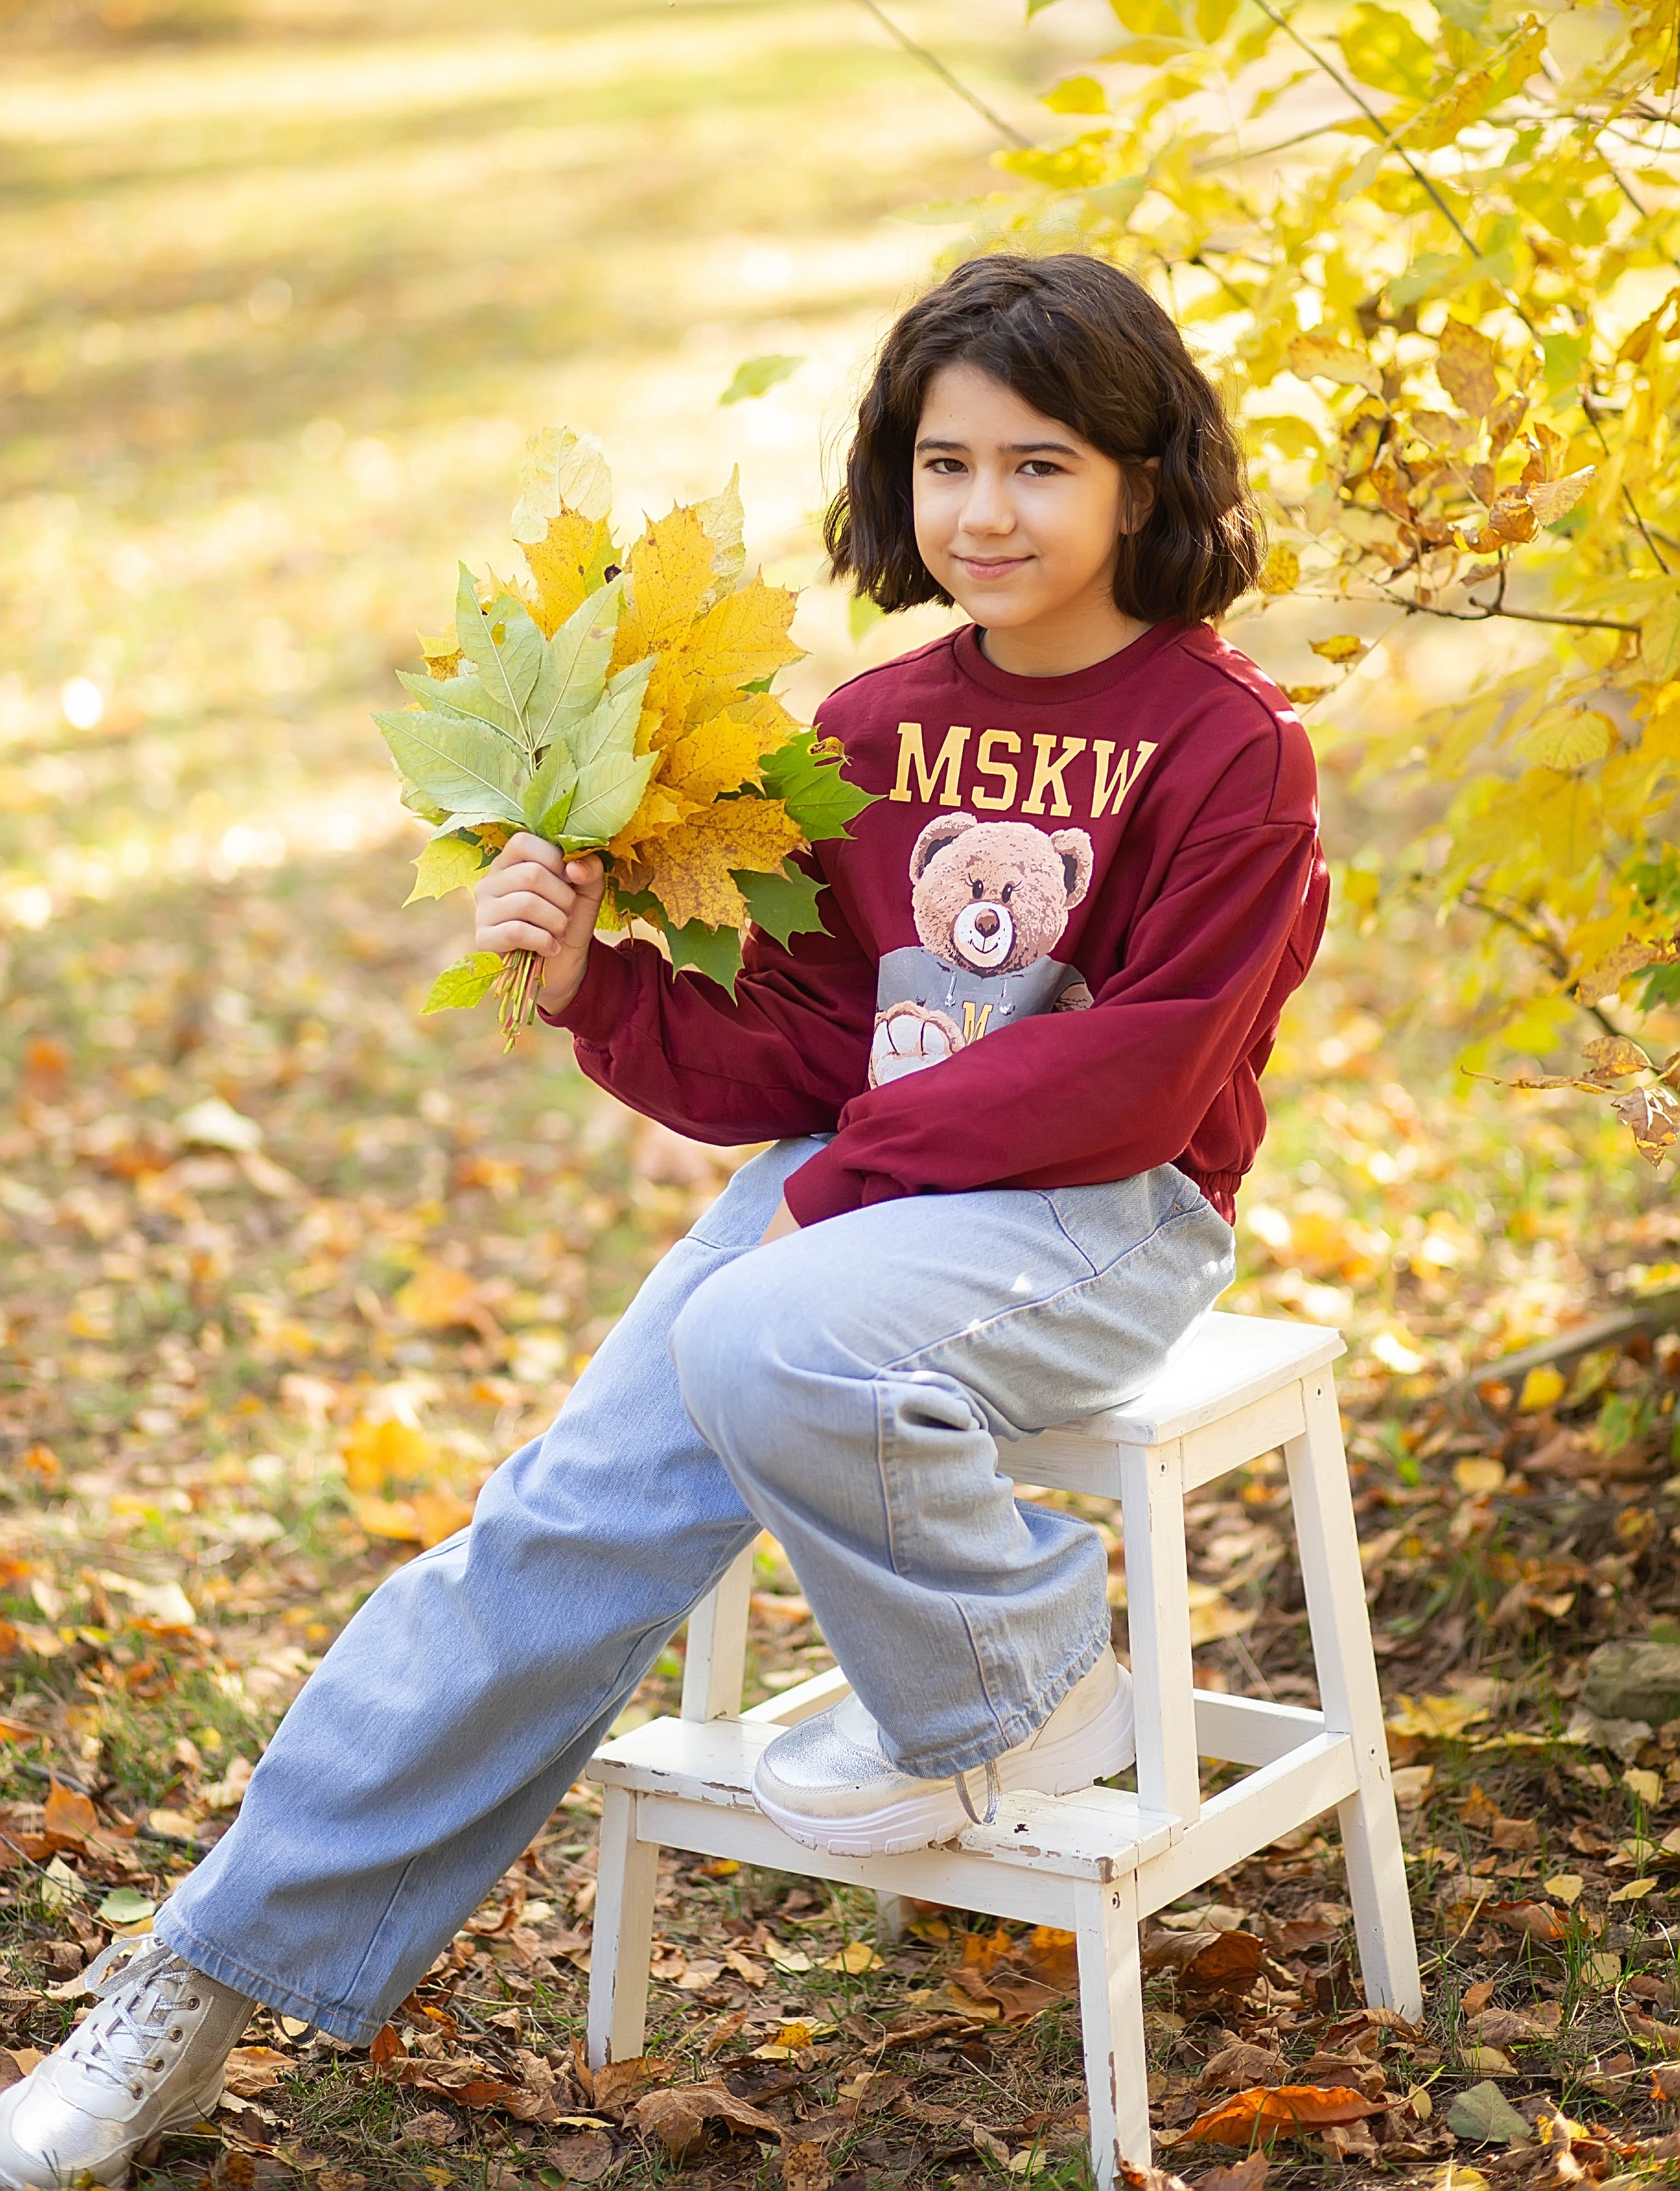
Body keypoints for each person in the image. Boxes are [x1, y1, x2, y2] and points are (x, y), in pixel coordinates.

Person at [0, 251, 1328, 2189]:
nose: (985, 512)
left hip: (1104, 1213)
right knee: (548, 1528)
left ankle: (1024, 1673)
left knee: (758, 1324)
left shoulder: (1232, 747)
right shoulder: (874, 729)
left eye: (1042, 466)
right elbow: (801, 1039)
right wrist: (589, 988)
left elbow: (1147, 1067)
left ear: (1144, 477)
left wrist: (834, 1192)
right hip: (862, 1203)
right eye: (945, 462)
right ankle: (196, 1982)